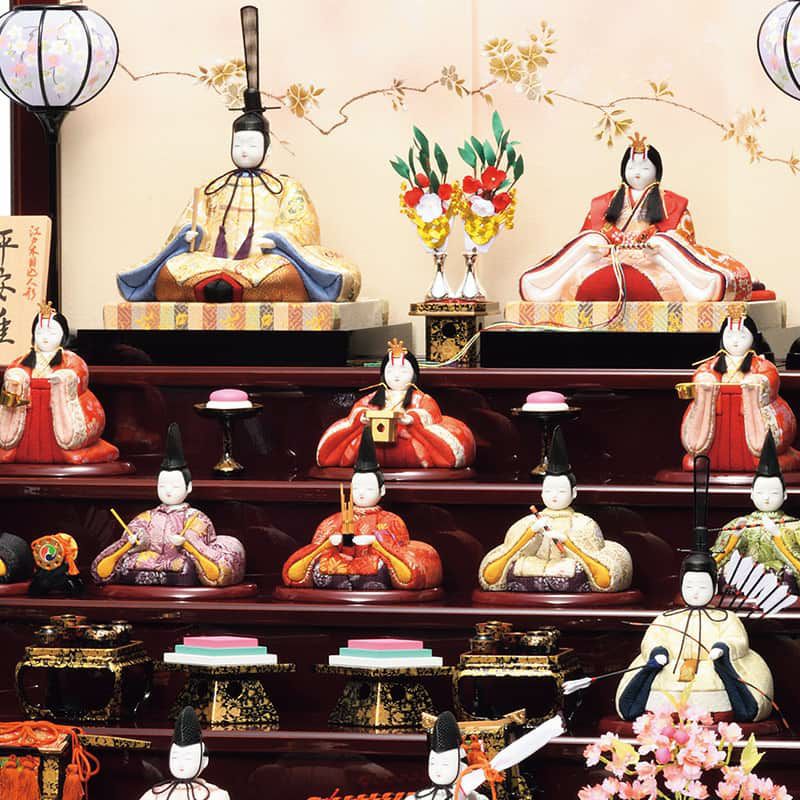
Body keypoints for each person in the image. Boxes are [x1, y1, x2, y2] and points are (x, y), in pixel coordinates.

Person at [117, 6, 359, 305]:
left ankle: (222, 288)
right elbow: (188, 224)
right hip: (212, 262)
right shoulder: (211, 187)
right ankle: (231, 287)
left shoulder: (286, 188)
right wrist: (189, 236)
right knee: (170, 272)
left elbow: (302, 229)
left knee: (284, 275)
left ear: (267, 148)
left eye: (252, 144)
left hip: (263, 263)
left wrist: (280, 241)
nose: (244, 150)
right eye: (239, 144)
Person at [616, 456, 774, 722]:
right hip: (670, 673)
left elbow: (738, 641)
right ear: (681, 585)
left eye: (703, 585)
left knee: (725, 687)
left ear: (714, 586)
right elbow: (653, 638)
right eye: (690, 585)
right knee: (656, 685)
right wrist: (658, 652)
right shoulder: (668, 618)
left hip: (711, 674)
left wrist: (723, 649)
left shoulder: (726, 618)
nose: (696, 591)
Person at [519, 133, 753, 304]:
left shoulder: (671, 202)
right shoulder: (606, 201)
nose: (637, 173)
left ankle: (704, 287)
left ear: (657, 171)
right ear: (623, 170)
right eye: (632, 167)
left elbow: (683, 239)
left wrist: (653, 244)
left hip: (653, 260)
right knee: (587, 245)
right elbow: (590, 232)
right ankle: (542, 287)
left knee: (665, 246)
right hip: (608, 257)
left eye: (645, 168)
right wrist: (600, 243)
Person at [283, 428, 442, 590]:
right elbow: (308, 557)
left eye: (369, 489)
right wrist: (329, 543)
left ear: (382, 490)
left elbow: (400, 552)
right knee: (321, 566)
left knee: (379, 568)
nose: (361, 494)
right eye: (357, 488)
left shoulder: (391, 520)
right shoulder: (335, 520)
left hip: (372, 567)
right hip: (338, 566)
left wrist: (374, 542)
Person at [478, 426, 632, 593]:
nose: (554, 496)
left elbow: (605, 579)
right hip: (535, 566)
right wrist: (530, 534)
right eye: (549, 490)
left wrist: (568, 543)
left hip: (569, 569)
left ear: (574, 493)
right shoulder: (528, 522)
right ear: (541, 492)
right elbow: (490, 577)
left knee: (574, 570)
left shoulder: (584, 524)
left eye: (561, 491)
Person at [91, 424, 245, 588]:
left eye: (175, 486)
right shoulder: (147, 517)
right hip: (149, 560)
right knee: (129, 561)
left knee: (185, 565)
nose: (168, 491)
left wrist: (186, 543)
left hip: (179, 561)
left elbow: (201, 547)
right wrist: (134, 542)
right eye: (162, 485)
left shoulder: (196, 518)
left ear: (188, 487)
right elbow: (134, 535)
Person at [316, 339, 475, 470]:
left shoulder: (421, 399)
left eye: (403, 371)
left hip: (408, 443)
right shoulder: (373, 398)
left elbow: (431, 415)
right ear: (383, 374)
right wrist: (363, 417)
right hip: (375, 446)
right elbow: (359, 410)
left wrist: (411, 420)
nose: (396, 376)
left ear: (414, 375)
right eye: (391, 371)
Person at [680, 306, 800, 473]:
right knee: (700, 459)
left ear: (753, 338)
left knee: (762, 460)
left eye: (742, 336)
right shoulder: (713, 364)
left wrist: (757, 381)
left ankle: (762, 456)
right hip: (719, 417)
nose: (735, 341)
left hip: (748, 415)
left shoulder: (760, 364)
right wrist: (705, 381)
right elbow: (702, 372)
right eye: (729, 336)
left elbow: (770, 376)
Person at [0, 303, 119, 464]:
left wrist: (65, 378)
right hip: (29, 410)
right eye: (40, 332)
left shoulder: (71, 360)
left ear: (63, 335)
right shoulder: (23, 360)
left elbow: (79, 373)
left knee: (62, 446)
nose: (45, 337)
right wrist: (16, 378)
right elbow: (13, 373)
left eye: (52, 332)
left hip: (57, 409)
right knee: (24, 444)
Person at [713, 430, 800, 593]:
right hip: (740, 584)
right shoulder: (737, 524)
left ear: (785, 494)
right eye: (760, 492)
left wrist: (779, 537)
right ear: (752, 494)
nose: (766, 498)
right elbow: (713, 564)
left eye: (773, 492)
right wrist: (734, 539)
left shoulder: (795, 526)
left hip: (778, 583)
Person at [138, 707, 230, 800]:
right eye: (175, 757)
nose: (180, 763)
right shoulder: (154, 795)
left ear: (204, 761)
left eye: (188, 758)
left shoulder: (216, 796)